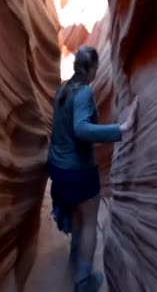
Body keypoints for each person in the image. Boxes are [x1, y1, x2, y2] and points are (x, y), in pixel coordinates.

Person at [46, 46, 138, 292]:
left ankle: (75, 258)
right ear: (92, 69)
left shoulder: (63, 88)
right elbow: (82, 129)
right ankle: (83, 281)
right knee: (88, 222)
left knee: (77, 215)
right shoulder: (85, 92)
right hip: (78, 170)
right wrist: (121, 128)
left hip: (57, 167)